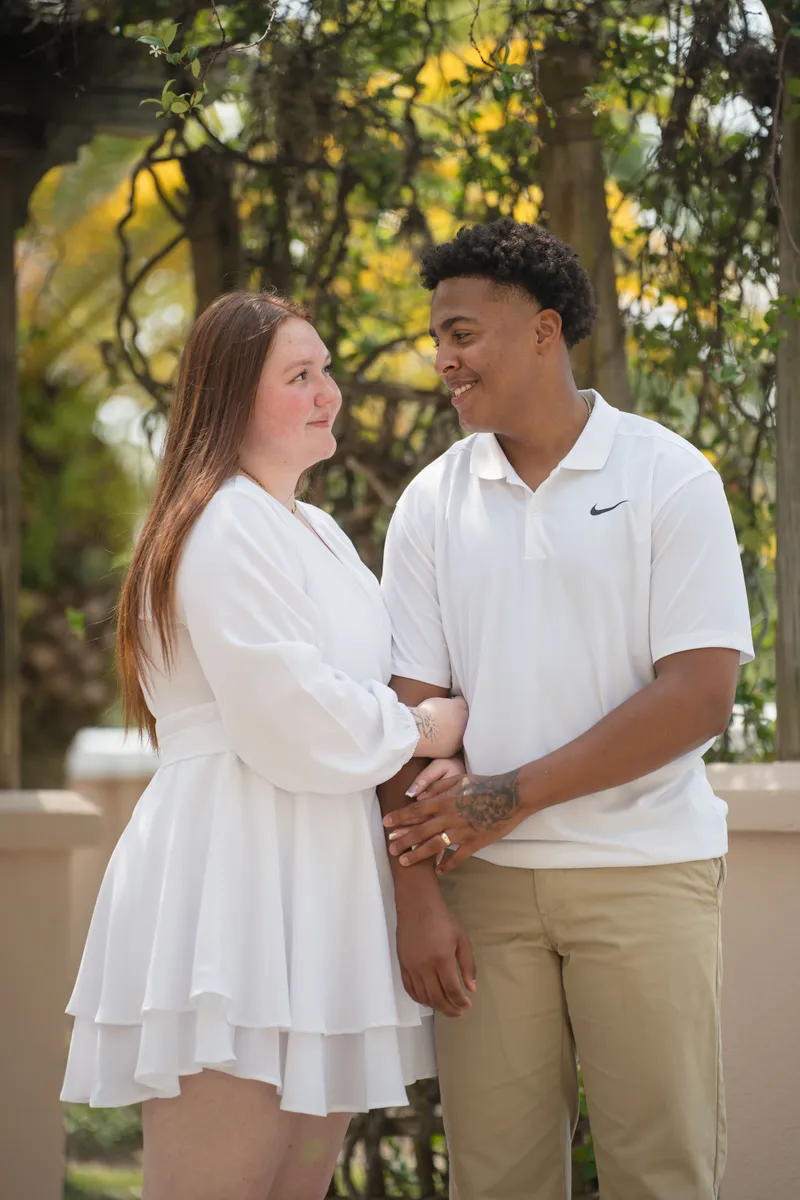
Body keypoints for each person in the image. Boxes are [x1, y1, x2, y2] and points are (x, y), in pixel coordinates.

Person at [61, 291, 468, 1200]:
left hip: (316, 879)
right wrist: (424, 725)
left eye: (325, 371)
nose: (328, 392)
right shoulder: (221, 521)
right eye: (299, 376)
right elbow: (292, 715)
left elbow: (355, 686)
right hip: (233, 878)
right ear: (231, 398)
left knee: (294, 1184)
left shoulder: (315, 531)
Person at [377, 218, 754, 1200]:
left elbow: (697, 695)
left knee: (660, 1175)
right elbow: (407, 713)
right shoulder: (429, 502)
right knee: (494, 1183)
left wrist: (506, 796)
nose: (443, 359)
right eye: (437, 339)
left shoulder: (667, 476)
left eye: (461, 333)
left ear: (543, 330)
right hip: (480, 893)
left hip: (645, 877)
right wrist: (417, 897)